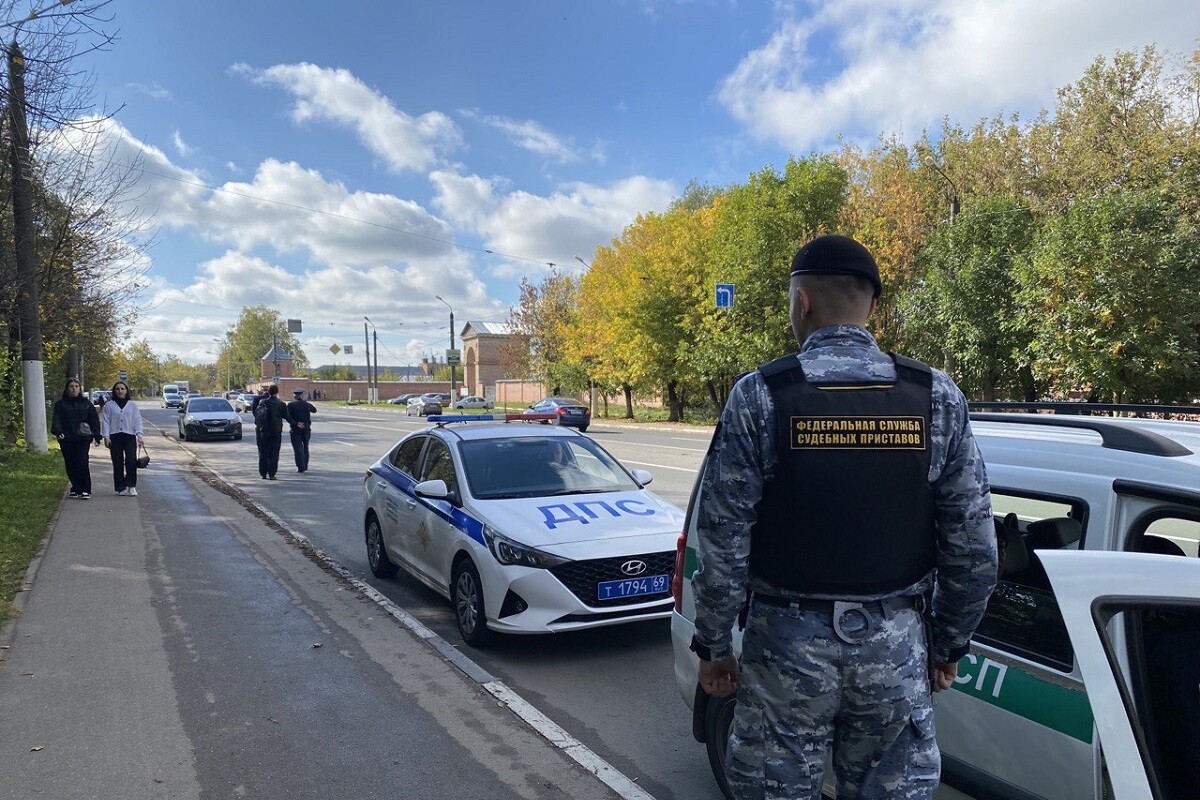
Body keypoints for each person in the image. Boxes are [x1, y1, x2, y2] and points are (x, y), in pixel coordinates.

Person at [690, 234, 998, 800]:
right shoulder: (936, 397)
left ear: (801, 302)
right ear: (872, 306)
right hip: (896, 645)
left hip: (785, 648)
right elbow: (974, 548)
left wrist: (713, 646)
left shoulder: (760, 395)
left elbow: (721, 539)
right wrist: (948, 646)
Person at [51, 378, 102, 499]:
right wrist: (58, 432)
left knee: (82, 462)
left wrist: (96, 435)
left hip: (82, 438)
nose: (74, 388)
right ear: (67, 389)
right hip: (66, 438)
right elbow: (57, 419)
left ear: (80, 389)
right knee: (70, 463)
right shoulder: (61, 404)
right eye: (71, 386)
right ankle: (75, 487)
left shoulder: (86, 404)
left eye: (76, 386)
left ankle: (85, 489)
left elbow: (93, 419)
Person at [99, 381, 145, 497]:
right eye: (118, 389)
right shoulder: (109, 405)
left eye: (122, 389)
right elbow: (106, 421)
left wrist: (139, 435)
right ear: (114, 391)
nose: (120, 391)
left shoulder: (132, 405)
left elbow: (137, 420)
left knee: (131, 461)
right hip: (115, 437)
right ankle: (120, 487)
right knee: (117, 462)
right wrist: (106, 436)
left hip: (129, 435)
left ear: (126, 391)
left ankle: (131, 485)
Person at [255, 385, 290, 480]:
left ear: (268, 392)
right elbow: (287, 417)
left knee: (263, 453)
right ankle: (272, 474)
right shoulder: (281, 404)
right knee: (274, 454)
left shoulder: (262, 402)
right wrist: (297, 423)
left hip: (263, 431)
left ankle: (263, 474)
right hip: (275, 431)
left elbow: (257, 414)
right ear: (277, 392)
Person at [286, 388, 317, 473]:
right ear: (301, 395)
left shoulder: (290, 405)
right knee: (305, 447)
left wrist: (296, 423)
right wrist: (305, 402)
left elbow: (287, 416)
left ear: (294, 395)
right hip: (306, 429)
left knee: (297, 448)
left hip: (295, 429)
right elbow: (314, 410)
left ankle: (300, 467)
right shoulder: (306, 404)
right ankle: (305, 465)